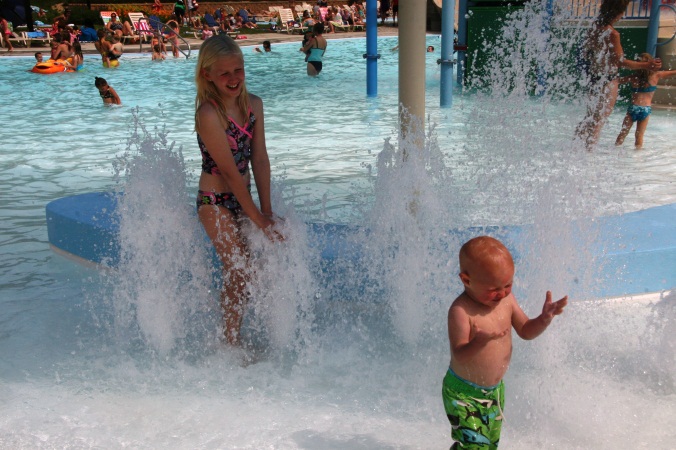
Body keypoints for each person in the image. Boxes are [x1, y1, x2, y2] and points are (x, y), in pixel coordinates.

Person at [193, 34, 282, 346]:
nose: (234, 79)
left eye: (238, 70)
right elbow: (230, 174)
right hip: (214, 202)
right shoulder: (208, 113)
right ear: (207, 75)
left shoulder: (253, 104)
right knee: (238, 269)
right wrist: (258, 220)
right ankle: (229, 343)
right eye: (225, 73)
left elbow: (259, 158)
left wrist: (267, 211)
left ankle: (242, 332)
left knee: (255, 267)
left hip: (242, 200)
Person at [443, 236, 567, 449]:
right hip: (464, 393)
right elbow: (459, 355)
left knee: (489, 445)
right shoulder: (461, 311)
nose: (502, 293)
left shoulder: (507, 301)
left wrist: (543, 319)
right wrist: (478, 342)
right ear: (466, 280)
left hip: (494, 391)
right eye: (493, 288)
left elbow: (526, 331)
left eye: (508, 285)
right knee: (475, 446)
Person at [575, 0, 662, 150]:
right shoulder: (613, 34)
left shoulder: (594, 28)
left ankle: (575, 145)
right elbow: (620, 62)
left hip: (593, 78)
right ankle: (589, 154)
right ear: (618, 13)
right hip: (607, 80)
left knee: (590, 116)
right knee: (599, 119)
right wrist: (647, 65)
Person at [615, 53, 676, 149]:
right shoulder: (656, 76)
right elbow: (673, 72)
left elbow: (617, 80)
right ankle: (638, 157)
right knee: (639, 136)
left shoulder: (633, 77)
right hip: (645, 110)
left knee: (622, 134)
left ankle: (614, 151)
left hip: (633, 108)